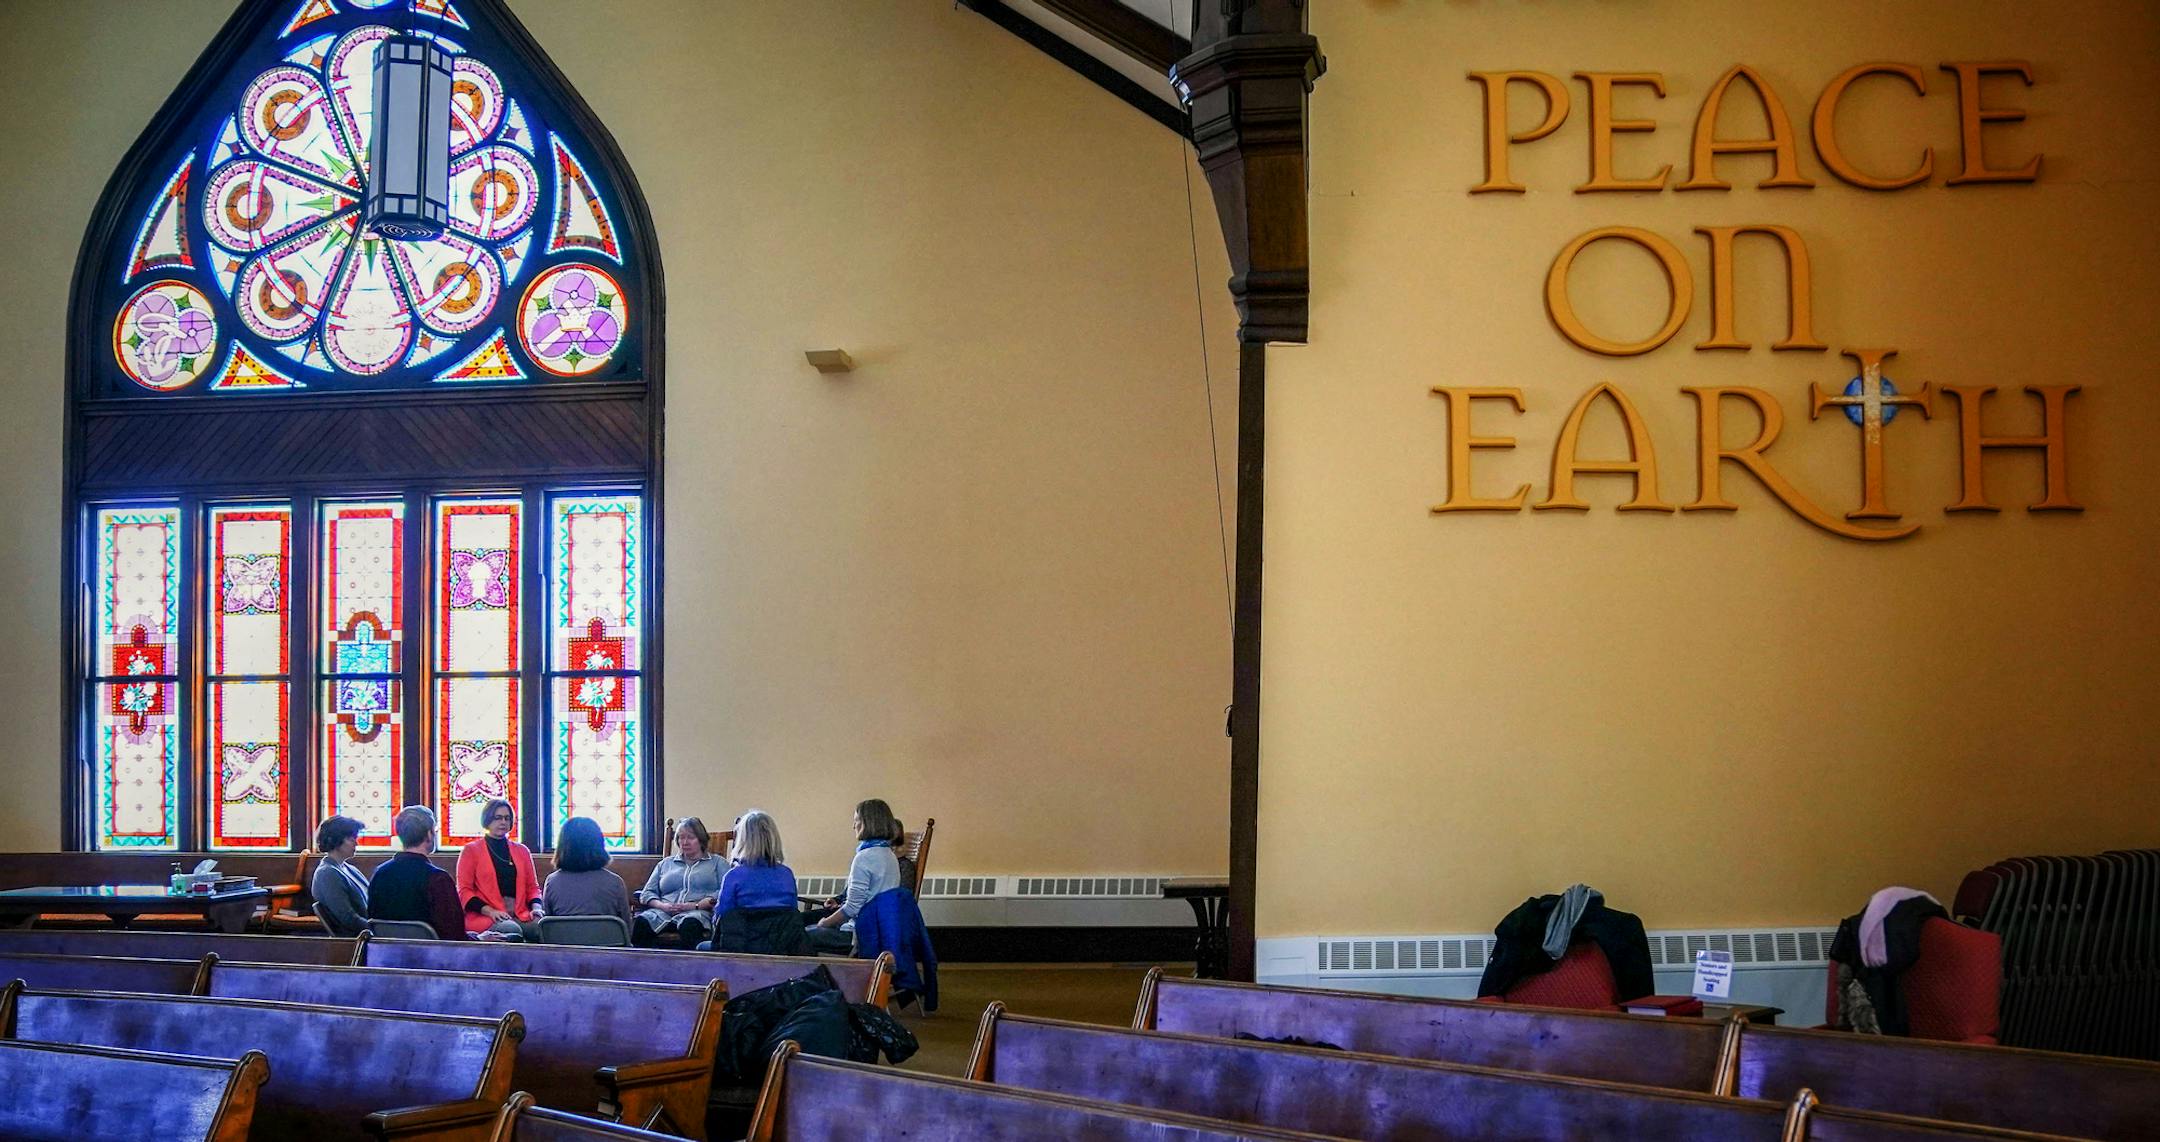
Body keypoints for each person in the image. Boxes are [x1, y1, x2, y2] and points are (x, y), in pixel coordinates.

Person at [805, 798, 903, 954]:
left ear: (868, 823)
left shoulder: (865, 857)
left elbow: (852, 908)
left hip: (859, 934)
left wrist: (825, 923)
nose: (853, 826)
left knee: (799, 936)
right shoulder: (889, 855)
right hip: (880, 932)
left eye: (857, 820)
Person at [705, 810, 806, 954]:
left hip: (740, 950)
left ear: (742, 840)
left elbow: (721, 918)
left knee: (701, 947)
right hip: (781, 950)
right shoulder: (786, 874)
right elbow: (792, 916)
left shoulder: (734, 876)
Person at [367, 804, 467, 940]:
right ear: (429, 834)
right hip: (431, 952)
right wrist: (478, 939)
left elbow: (374, 921)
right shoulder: (438, 879)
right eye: (435, 830)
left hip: (388, 952)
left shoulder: (380, 874)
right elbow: (454, 936)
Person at [456, 798, 542, 938]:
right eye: (498, 818)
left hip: (519, 914)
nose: (503, 822)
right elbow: (464, 891)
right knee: (511, 929)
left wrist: (536, 908)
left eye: (507, 818)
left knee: (541, 927)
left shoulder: (522, 851)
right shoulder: (471, 850)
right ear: (487, 819)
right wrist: (490, 911)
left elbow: (533, 888)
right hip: (486, 916)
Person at [635, 816, 723, 946]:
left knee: (690, 925)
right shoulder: (665, 864)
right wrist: (662, 906)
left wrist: (698, 905)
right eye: (681, 837)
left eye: (690, 837)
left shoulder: (717, 863)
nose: (685, 842)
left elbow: (726, 891)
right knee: (641, 922)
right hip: (662, 912)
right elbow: (647, 893)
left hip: (697, 913)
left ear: (701, 840)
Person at [539, 815, 633, 930]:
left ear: (563, 846)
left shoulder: (552, 882)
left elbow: (547, 927)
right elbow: (626, 928)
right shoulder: (615, 882)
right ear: (599, 845)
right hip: (606, 941)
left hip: (564, 941)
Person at [310, 814, 371, 938]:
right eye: (351, 839)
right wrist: (381, 929)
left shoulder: (349, 868)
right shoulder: (327, 874)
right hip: (356, 939)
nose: (356, 843)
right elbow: (348, 918)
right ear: (335, 840)